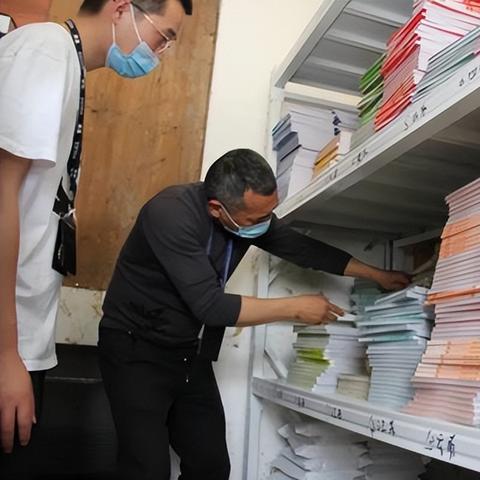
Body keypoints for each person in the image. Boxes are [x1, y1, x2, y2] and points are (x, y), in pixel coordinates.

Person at [98, 148, 410, 480]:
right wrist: (295, 307)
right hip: (135, 350)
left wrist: (376, 274)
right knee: (145, 469)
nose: (265, 224)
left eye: (269, 214)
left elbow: (303, 249)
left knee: (211, 466)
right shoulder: (170, 213)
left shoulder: (250, 218)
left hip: (187, 352)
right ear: (217, 209)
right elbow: (211, 306)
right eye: (256, 220)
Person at [0, 0, 192, 456]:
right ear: (122, 8)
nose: (160, 53)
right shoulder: (46, 50)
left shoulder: (67, 63)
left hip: (24, 334)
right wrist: (6, 354)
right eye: (164, 36)